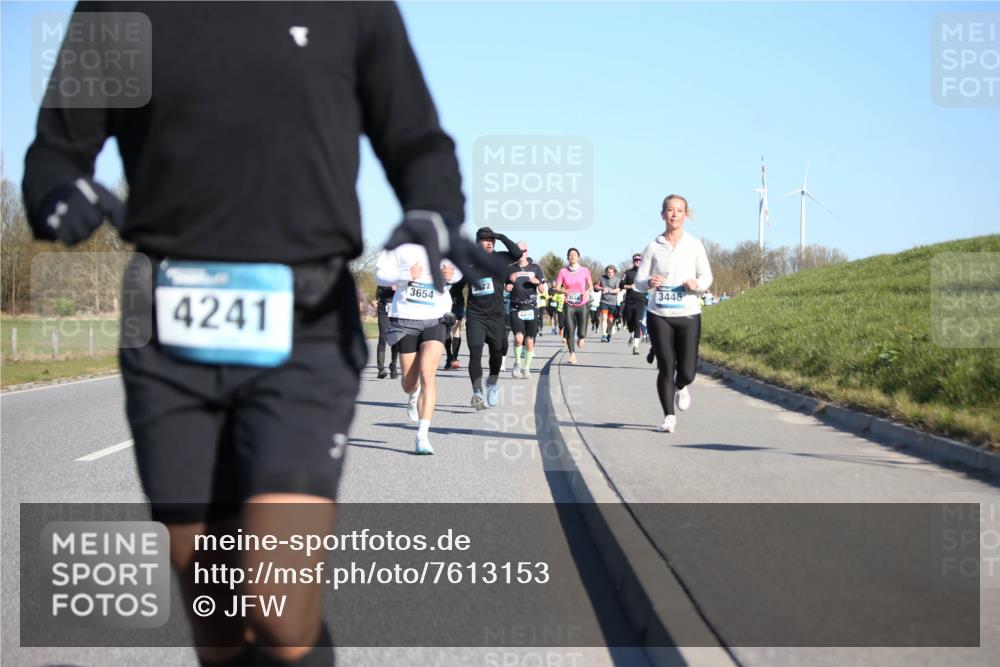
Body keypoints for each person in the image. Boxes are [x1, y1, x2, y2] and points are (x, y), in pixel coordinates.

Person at [21, 4, 509, 666]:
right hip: (165, 324)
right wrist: (57, 189)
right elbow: (57, 146)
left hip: (304, 321)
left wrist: (432, 210)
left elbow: (419, 141)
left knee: (277, 606)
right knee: (216, 613)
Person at [634, 194, 713, 433]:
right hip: (659, 313)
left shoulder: (694, 245)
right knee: (666, 365)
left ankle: (682, 385)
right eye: (670, 210)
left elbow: (707, 277)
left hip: (688, 312)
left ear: (686, 215)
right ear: (663, 214)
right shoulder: (654, 246)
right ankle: (668, 416)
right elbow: (638, 282)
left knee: (687, 371)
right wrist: (650, 281)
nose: (674, 214)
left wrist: (695, 285)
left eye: (679, 210)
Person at [375, 244, 461, 454]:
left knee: (428, 375)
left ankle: (422, 436)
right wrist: (405, 274)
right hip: (405, 318)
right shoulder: (398, 241)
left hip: (436, 317)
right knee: (409, 383)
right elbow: (380, 275)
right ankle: (413, 396)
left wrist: (452, 274)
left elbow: (459, 269)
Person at [463, 227, 521, 409]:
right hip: (475, 315)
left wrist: (501, 236)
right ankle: (477, 392)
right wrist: (455, 312)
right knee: (475, 353)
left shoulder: (501, 258)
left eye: (492, 240)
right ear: (478, 242)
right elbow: (456, 288)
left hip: (496, 316)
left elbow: (517, 253)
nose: (489, 242)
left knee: (497, 353)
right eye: (485, 240)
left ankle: (492, 384)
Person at [505, 242, 546, 378]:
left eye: (524, 250)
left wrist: (537, 282)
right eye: (518, 250)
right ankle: (517, 364)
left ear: (527, 252)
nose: (521, 252)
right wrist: (508, 287)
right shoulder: (510, 268)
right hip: (516, 307)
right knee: (518, 338)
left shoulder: (535, 268)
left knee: (529, 341)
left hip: (531, 307)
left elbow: (542, 290)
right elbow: (506, 287)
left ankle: (526, 368)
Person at [553, 248, 593, 364]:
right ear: (567, 258)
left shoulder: (585, 270)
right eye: (570, 255)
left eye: (575, 255)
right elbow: (557, 288)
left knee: (582, 331)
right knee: (570, 329)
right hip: (569, 304)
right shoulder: (563, 271)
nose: (573, 256)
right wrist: (564, 292)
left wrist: (587, 291)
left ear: (579, 257)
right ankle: (572, 355)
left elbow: (590, 285)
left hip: (582, 304)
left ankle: (581, 338)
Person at [620, 254, 646, 354]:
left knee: (637, 323)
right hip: (629, 301)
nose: (637, 261)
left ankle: (636, 347)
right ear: (633, 261)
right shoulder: (628, 272)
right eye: (636, 260)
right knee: (630, 323)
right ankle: (631, 336)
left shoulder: (645, 273)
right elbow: (621, 285)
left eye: (639, 260)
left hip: (641, 301)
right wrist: (629, 286)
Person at [374, 284, 400, 378]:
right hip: (383, 307)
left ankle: (393, 365)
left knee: (395, 337)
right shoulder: (384, 275)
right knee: (382, 337)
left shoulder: (400, 274)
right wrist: (376, 300)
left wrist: (399, 286)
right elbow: (378, 289)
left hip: (397, 307)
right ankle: (381, 368)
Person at [443, 280, 466, 370]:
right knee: (446, 330)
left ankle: (454, 358)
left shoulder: (460, 271)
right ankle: (449, 355)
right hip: (442, 302)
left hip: (457, 301)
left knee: (456, 327)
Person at [597, 264, 621, 342]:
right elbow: (596, 286)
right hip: (604, 301)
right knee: (604, 318)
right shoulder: (602, 278)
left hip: (613, 303)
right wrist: (601, 288)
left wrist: (609, 291)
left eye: (611, 272)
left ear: (614, 273)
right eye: (608, 272)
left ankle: (609, 335)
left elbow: (618, 290)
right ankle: (604, 335)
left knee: (610, 321)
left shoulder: (617, 280)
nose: (609, 273)